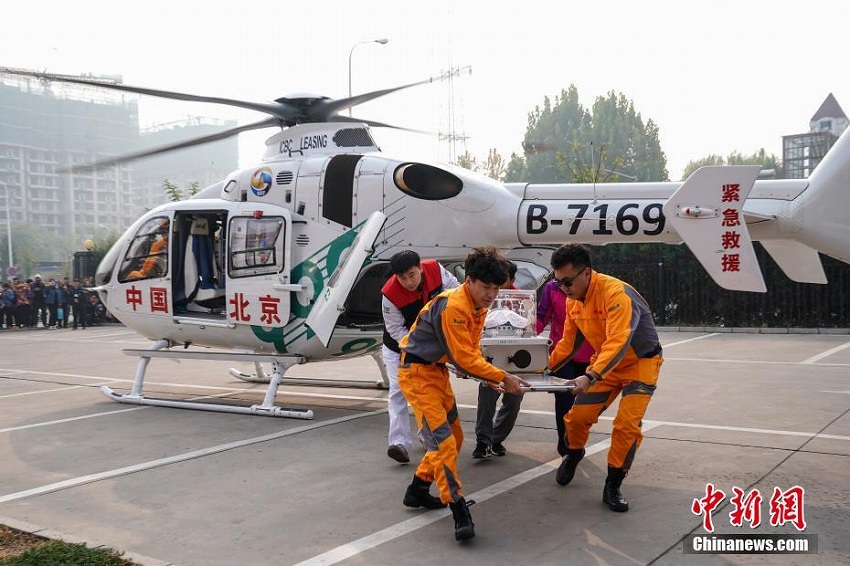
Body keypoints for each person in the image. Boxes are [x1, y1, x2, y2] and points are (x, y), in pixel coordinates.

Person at [397, 246, 529, 541]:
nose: (491, 294)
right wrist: (502, 376)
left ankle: (418, 489)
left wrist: (491, 377)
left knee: (454, 438)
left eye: (496, 288)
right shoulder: (454, 305)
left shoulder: (478, 307)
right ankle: (458, 510)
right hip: (417, 375)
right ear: (469, 280)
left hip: (437, 373)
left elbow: (468, 352)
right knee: (443, 444)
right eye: (485, 287)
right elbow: (463, 357)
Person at [548, 244, 662, 513]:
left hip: (640, 364)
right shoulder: (573, 300)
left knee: (626, 425)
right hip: (605, 366)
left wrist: (590, 375)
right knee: (576, 418)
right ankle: (574, 453)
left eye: (567, 282)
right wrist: (543, 370)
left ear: (586, 273)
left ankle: (613, 483)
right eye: (558, 282)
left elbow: (618, 341)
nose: (563, 288)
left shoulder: (616, 294)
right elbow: (568, 344)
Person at [381, 251, 460, 464]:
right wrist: (419, 349)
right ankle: (398, 443)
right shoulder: (389, 294)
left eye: (411, 275)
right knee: (399, 391)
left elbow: (455, 293)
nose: (407, 282)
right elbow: (395, 329)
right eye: (402, 278)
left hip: (431, 344)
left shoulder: (436, 269)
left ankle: (429, 438)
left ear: (421, 268)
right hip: (398, 347)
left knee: (428, 392)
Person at [537, 277, 595, 456]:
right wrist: (523, 340)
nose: (564, 285)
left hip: (592, 356)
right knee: (564, 402)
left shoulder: (595, 289)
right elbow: (541, 317)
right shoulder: (551, 288)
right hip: (562, 356)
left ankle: (577, 442)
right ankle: (567, 450)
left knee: (583, 406)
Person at [472, 260, 524, 458]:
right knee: (487, 398)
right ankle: (483, 440)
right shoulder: (483, 299)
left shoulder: (521, 300)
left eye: (500, 284)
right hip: (491, 356)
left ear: (511, 280)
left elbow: (531, 323)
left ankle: (497, 439)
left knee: (513, 400)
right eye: (492, 285)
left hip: (516, 358)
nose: (495, 290)